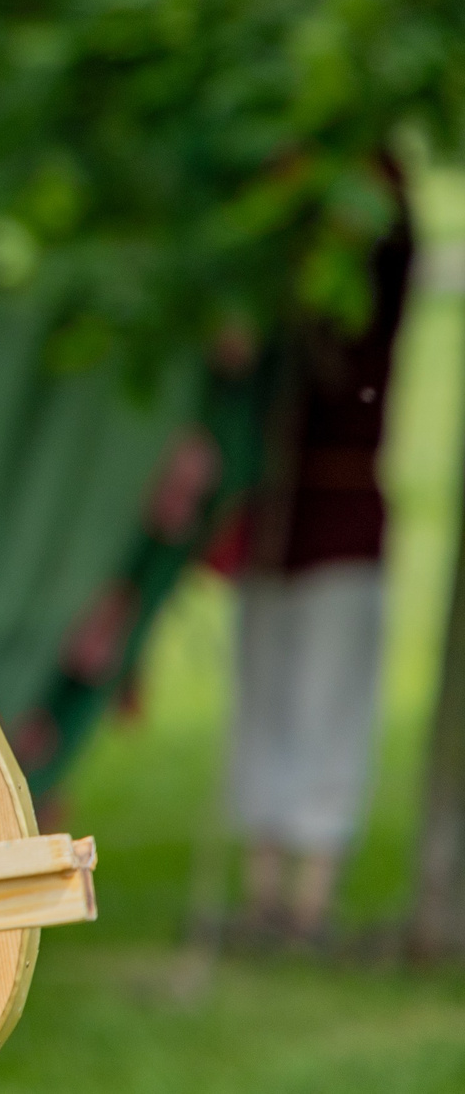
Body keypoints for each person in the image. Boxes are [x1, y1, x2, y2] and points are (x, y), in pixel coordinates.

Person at [226, 218, 410, 947]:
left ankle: (310, 899)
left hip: (339, 528)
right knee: (264, 698)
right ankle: (264, 888)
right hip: (276, 525)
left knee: (327, 703)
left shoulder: (370, 242)